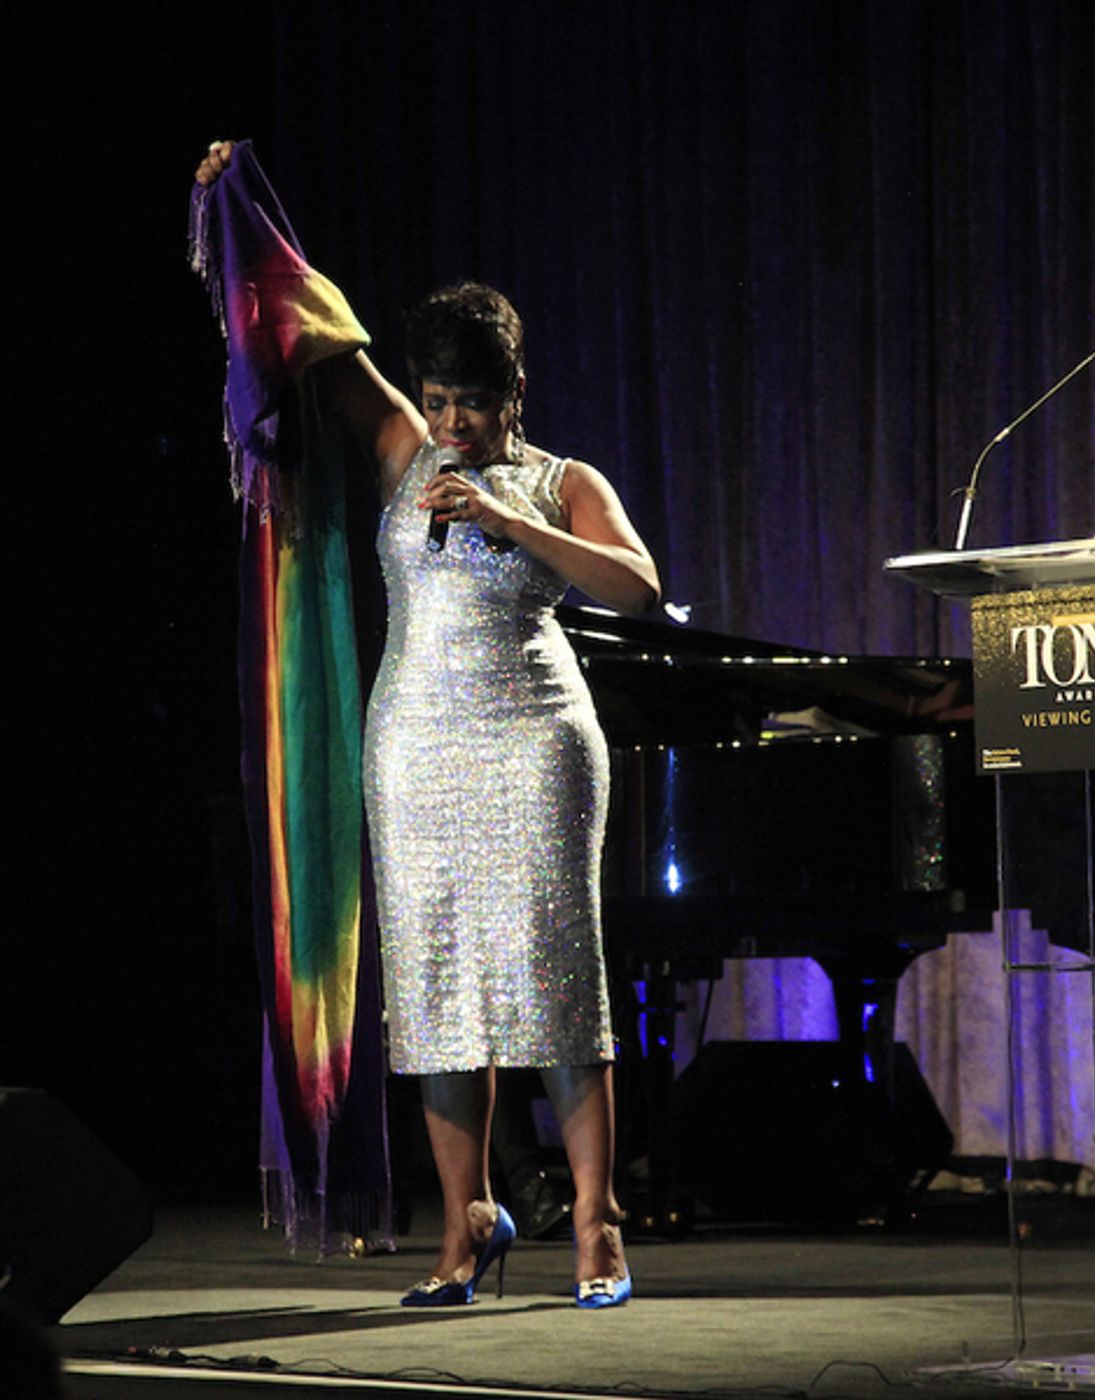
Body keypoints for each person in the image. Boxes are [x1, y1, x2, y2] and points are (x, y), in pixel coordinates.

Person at [196, 141, 659, 1309]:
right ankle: (468, 1226)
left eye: (474, 399)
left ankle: (595, 1224)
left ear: (516, 395)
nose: (451, 417)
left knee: (559, 982)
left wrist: (514, 524)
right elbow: (320, 333)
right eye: (439, 396)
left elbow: (637, 588)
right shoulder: (404, 449)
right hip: (413, 745)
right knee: (440, 989)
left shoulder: (561, 481)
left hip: (537, 739)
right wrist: (232, 204)